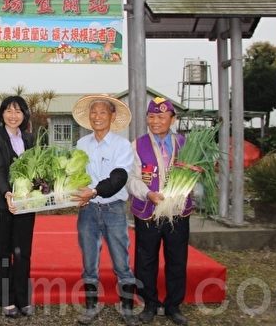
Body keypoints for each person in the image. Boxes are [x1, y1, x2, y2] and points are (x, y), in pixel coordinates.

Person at [70, 94, 138, 326]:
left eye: (102, 112)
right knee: (89, 260)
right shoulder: (82, 144)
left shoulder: (122, 145)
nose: (97, 116)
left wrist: (94, 191)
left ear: (112, 116)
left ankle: (127, 308)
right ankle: (91, 307)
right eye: (93, 112)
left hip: (114, 209)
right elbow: (76, 175)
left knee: (121, 261)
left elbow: (119, 178)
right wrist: (74, 192)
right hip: (88, 210)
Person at [127, 97, 190, 325]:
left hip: (177, 212)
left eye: (161, 117)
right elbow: (131, 179)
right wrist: (148, 194)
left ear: (173, 119)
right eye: (151, 116)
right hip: (148, 211)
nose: (155, 121)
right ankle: (149, 304)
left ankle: (173, 305)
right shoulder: (137, 145)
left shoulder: (185, 144)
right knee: (145, 259)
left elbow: (197, 174)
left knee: (177, 259)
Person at [0, 95, 35, 318]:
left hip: (26, 203)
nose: (13, 116)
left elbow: (34, 170)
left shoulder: (29, 138)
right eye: (9, 111)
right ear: (2, 114)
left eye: (18, 111)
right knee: (4, 252)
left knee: (23, 252)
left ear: (24, 115)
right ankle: (6, 300)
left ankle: (23, 298)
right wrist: (7, 193)